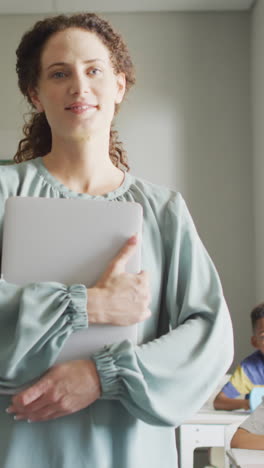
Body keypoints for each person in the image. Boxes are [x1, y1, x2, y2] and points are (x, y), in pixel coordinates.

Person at [0, 13, 233, 468]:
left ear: (119, 86)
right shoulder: (4, 193)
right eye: (59, 73)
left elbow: (209, 333)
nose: (78, 86)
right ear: (35, 93)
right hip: (18, 445)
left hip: (131, 449)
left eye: (94, 70)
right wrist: (86, 306)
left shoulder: (164, 210)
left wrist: (101, 376)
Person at [214, 303, 264, 411]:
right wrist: (251, 403)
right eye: (263, 336)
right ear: (255, 342)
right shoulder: (250, 370)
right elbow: (219, 401)